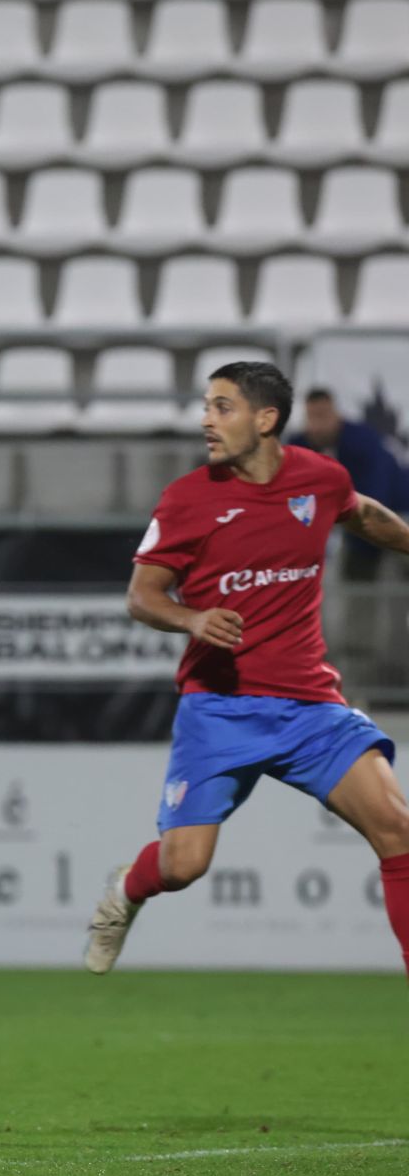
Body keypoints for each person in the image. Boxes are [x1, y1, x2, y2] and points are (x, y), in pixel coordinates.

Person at [85, 362, 409, 977]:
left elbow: (363, 512)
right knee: (183, 866)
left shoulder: (320, 479)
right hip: (221, 708)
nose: (207, 419)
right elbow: (142, 596)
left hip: (310, 705)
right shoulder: (188, 499)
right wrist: (193, 620)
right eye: (207, 406)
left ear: (266, 420)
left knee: (398, 830)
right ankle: (127, 890)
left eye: (223, 407)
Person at [289, 388, 409, 580]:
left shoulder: (362, 440)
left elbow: (376, 494)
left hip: (397, 512)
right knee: (355, 581)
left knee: (396, 580)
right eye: (312, 417)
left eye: (323, 416)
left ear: (336, 414)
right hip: (354, 525)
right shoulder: (300, 445)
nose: (317, 425)